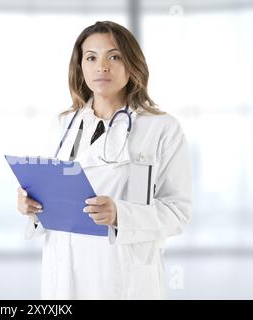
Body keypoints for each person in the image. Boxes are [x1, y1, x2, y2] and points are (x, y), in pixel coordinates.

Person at [16, 21, 192, 299]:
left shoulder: (162, 128)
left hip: (123, 276)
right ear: (80, 67)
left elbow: (177, 213)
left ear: (131, 63)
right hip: (65, 273)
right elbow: (52, 197)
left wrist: (120, 214)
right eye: (91, 58)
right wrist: (32, 206)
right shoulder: (63, 124)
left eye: (114, 56)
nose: (102, 67)